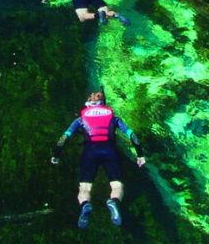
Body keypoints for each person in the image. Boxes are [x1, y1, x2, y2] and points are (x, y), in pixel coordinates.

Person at [51, 91, 146, 228]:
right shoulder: (114, 118)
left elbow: (63, 139)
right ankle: (113, 202)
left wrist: (56, 155)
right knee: (117, 185)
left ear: (88, 104)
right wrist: (140, 155)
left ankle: (85, 205)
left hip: (90, 153)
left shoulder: (80, 120)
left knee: (84, 187)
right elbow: (133, 136)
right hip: (110, 152)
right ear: (103, 105)